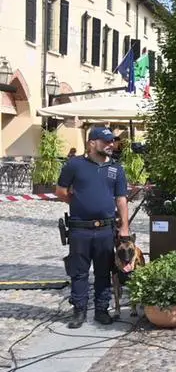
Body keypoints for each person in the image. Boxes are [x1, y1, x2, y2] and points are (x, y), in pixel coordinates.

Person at [56, 126, 130, 328]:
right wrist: (79, 202)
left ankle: (101, 310)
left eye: (111, 141)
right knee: (78, 272)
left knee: (103, 271)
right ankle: (79, 310)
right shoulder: (74, 165)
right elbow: (61, 191)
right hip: (80, 228)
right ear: (92, 143)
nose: (110, 145)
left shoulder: (116, 169)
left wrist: (124, 227)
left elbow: (121, 199)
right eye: (105, 141)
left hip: (106, 229)